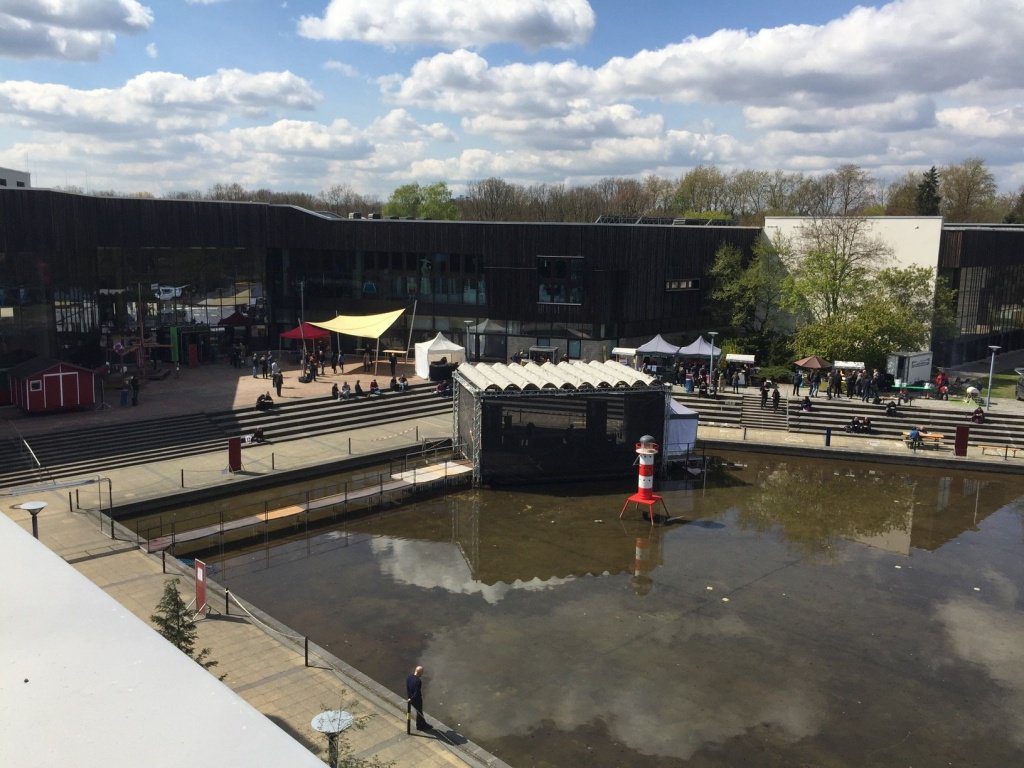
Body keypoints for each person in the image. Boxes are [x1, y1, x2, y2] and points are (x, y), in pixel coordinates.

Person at [406, 665, 431, 731]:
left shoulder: (409, 677)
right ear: (419, 672)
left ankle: (424, 723)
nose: (422, 674)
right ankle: (419, 726)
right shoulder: (418, 681)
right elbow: (416, 692)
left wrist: (409, 698)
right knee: (419, 712)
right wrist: (412, 698)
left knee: (420, 712)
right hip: (416, 700)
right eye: (422, 673)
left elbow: (408, 688)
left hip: (410, 698)